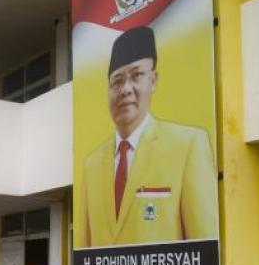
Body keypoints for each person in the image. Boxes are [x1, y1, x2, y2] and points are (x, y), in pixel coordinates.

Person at [78, 25, 218, 247]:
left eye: (136, 76)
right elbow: (85, 251)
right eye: (117, 80)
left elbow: (204, 247)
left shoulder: (188, 146)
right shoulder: (91, 164)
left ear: (153, 80)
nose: (125, 89)